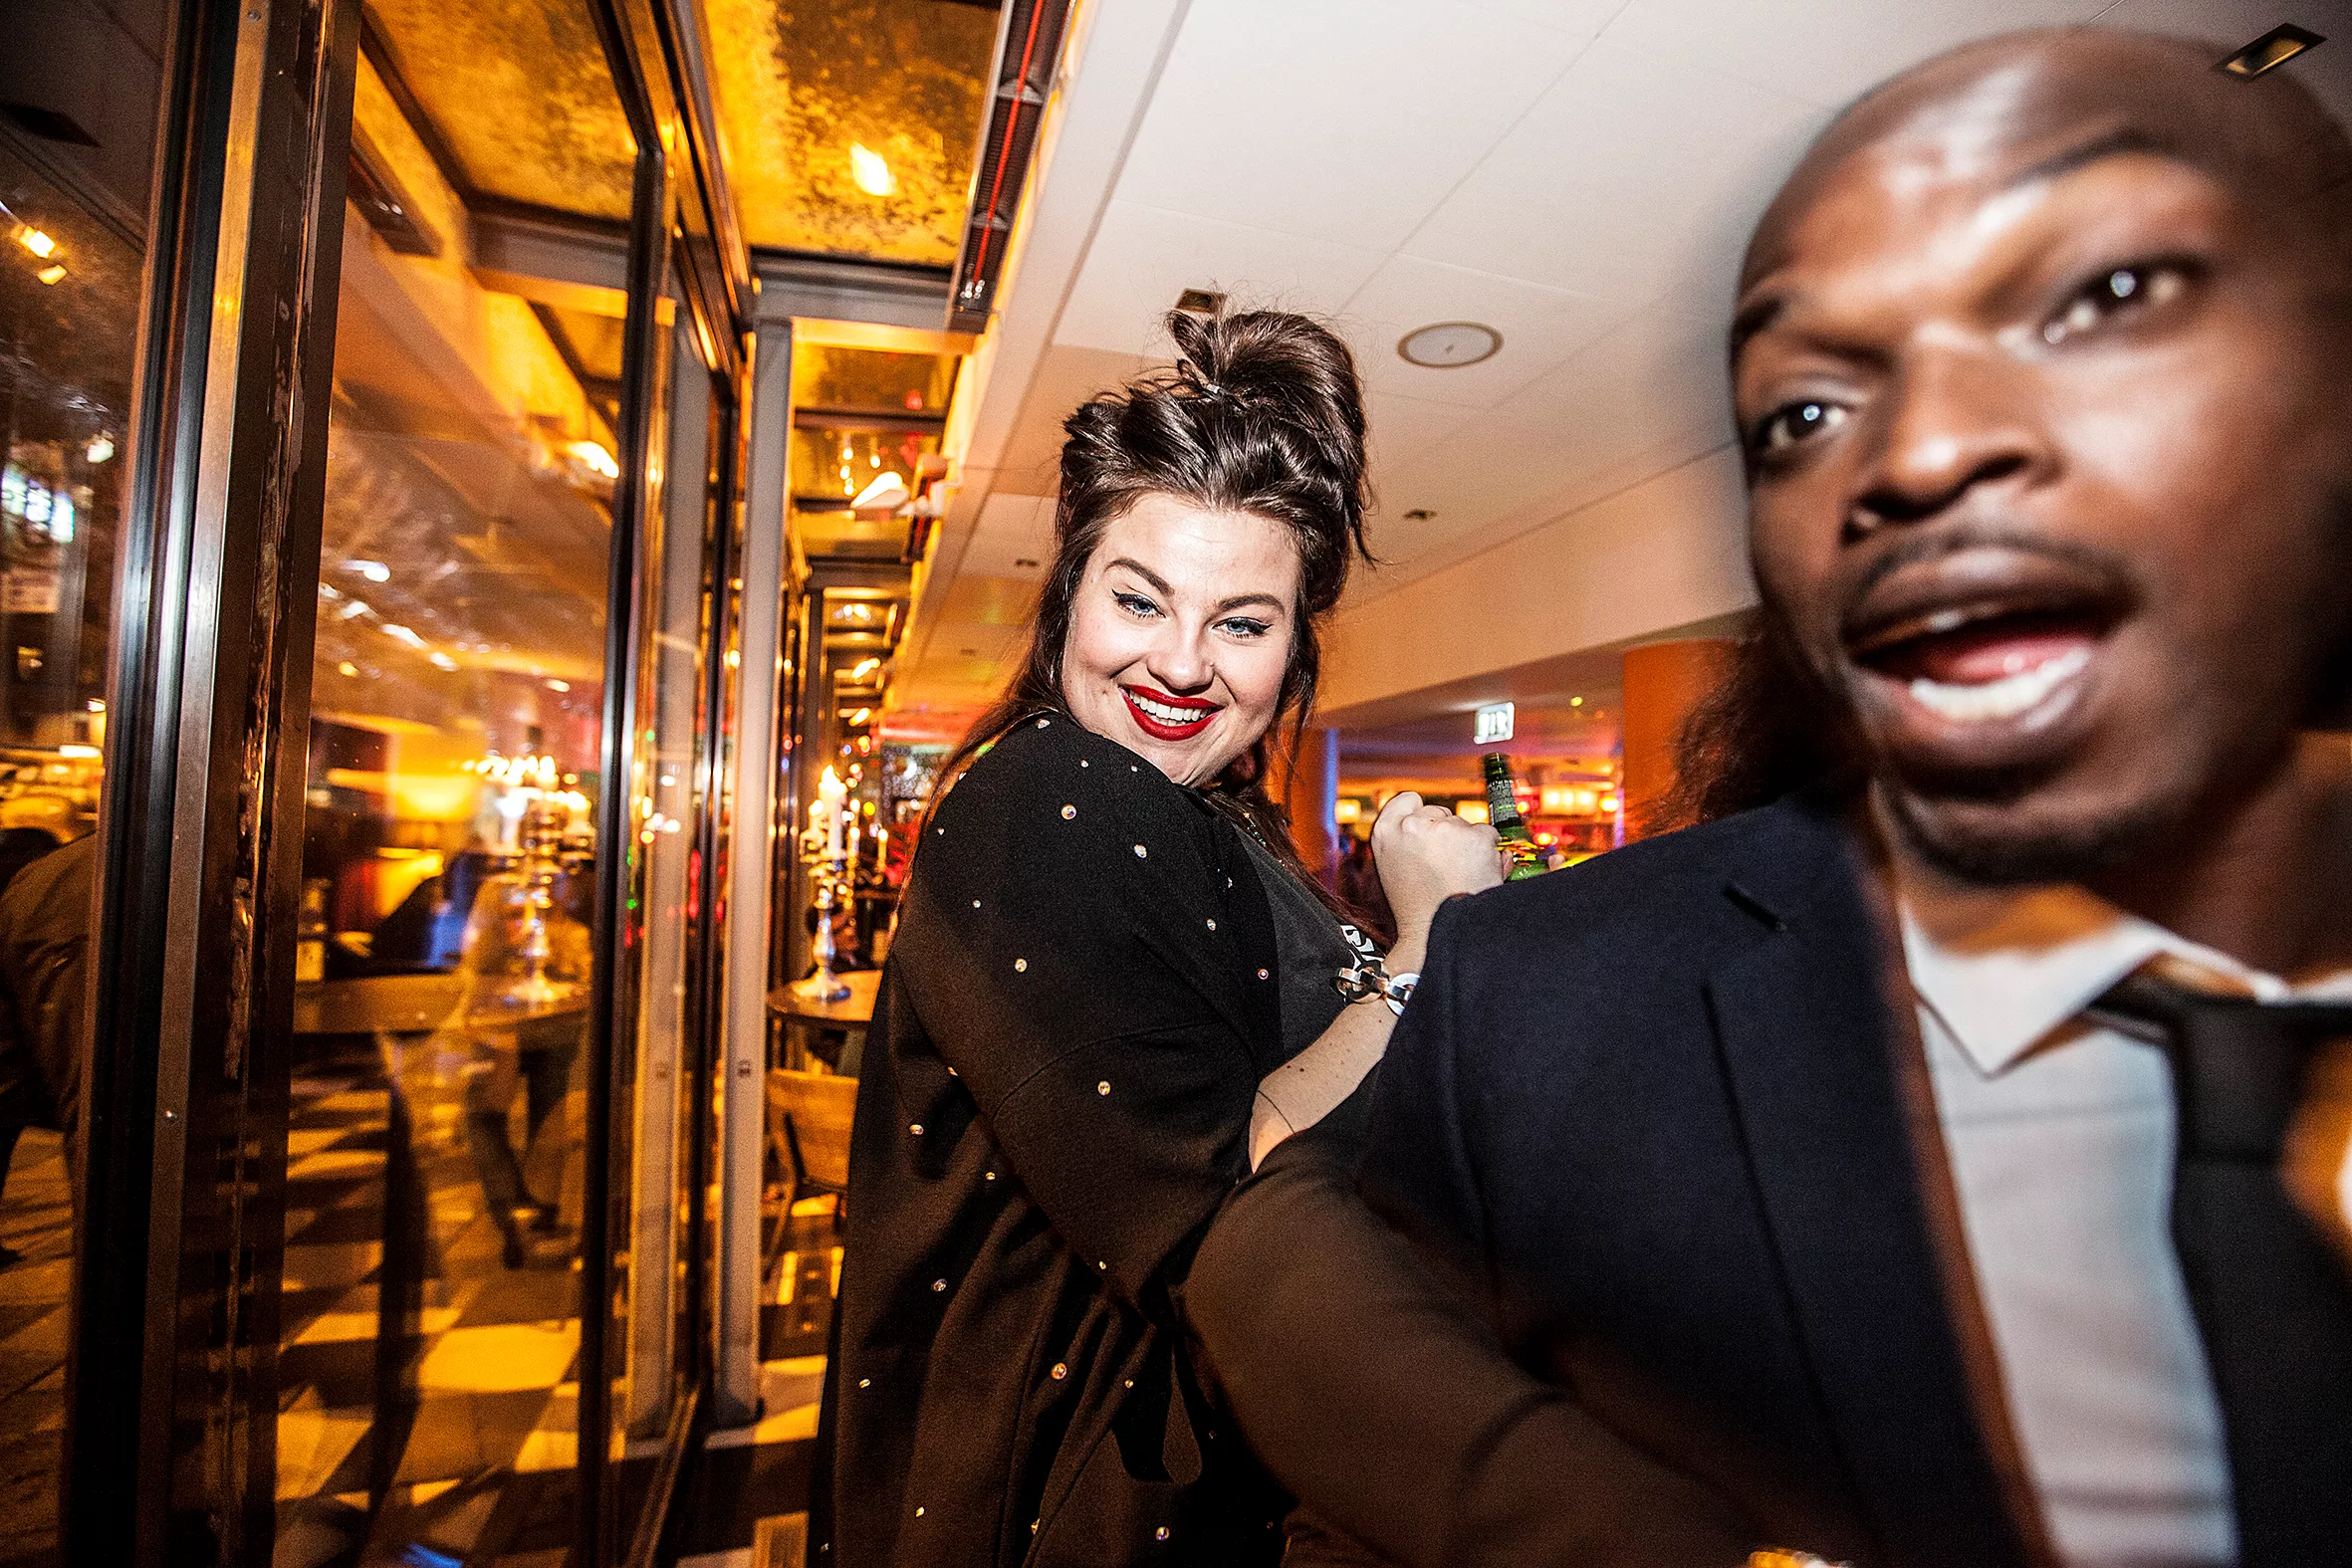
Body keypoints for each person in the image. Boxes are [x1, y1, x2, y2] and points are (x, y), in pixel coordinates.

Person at [1186, 26, 2352, 1568]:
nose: (1918, 451)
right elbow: (1271, 1248)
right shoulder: (1576, 987)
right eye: (1801, 413)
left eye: (2108, 299)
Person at [810, 310, 1505, 1568]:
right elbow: (1223, 1217)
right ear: (1069, 596)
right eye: (1139, 600)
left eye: (1241, 622)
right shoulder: (1054, 800)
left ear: (1293, 646)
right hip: (1072, 1497)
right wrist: (1428, 947)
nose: (1181, 664)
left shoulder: (1198, 817)